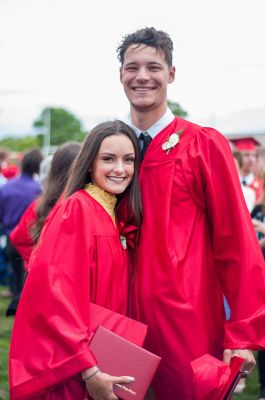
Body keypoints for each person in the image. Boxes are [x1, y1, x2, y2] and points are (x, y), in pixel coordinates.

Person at [117, 27, 265, 399]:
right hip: (116, 321)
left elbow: (237, 243)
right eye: (132, 67)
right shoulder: (110, 152)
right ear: (121, 74)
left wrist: (244, 333)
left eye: (154, 66)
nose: (142, 76)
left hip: (188, 324)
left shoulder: (202, 145)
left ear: (171, 74)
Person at [9, 120, 142, 400]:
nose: (120, 169)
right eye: (108, 159)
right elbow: (57, 297)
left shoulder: (114, 213)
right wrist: (89, 369)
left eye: (128, 160)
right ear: (90, 163)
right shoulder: (77, 209)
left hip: (104, 356)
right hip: (76, 366)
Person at [10, 142, 81, 270]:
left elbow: (17, 237)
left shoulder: (40, 204)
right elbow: (18, 238)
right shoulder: (83, 205)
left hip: (44, 276)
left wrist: (35, 262)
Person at [0, 148, 43, 316]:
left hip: (11, 235)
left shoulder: (7, 187)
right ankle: (23, 306)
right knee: (28, 276)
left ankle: (16, 300)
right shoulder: (38, 190)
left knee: (17, 273)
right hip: (30, 238)